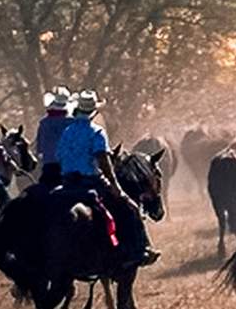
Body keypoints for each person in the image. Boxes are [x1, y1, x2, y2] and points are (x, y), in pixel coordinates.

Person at [54, 91, 160, 267]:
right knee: (131, 208)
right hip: (91, 181)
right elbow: (103, 160)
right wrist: (115, 186)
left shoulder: (67, 132)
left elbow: (59, 156)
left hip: (68, 182)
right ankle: (141, 250)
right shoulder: (97, 132)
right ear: (93, 112)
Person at [34, 87, 74, 188]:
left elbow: (39, 149)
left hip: (48, 168)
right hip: (68, 168)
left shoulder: (43, 123)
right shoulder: (71, 123)